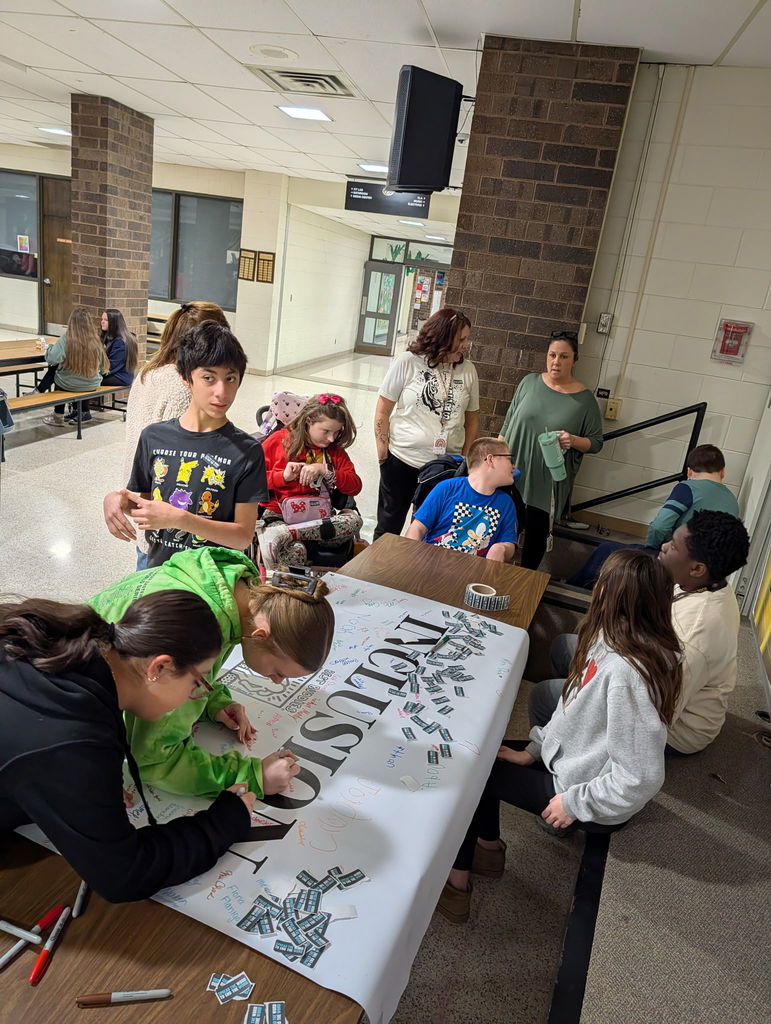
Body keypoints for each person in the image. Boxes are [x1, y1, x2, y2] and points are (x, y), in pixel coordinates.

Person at [438, 549, 682, 923]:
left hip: (588, 795)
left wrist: (574, 803)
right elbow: (572, 708)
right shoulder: (611, 638)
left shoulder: (629, 674)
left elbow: (642, 776)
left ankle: (458, 887)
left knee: (473, 776)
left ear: (610, 597)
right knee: (484, 759)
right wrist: (535, 749)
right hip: (572, 766)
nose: (596, 589)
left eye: (601, 584)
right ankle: (487, 852)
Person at [0, 590, 266, 903]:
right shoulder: (71, 741)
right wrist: (225, 821)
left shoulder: (76, 638)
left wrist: (85, 797)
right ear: (160, 668)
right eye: (197, 683)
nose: (195, 696)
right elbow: (124, 875)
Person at [91, 548, 334, 798]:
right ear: (260, 635)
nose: (275, 682)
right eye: (278, 672)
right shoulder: (195, 631)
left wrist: (212, 699)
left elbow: (182, 675)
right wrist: (253, 776)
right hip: (89, 720)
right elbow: (153, 758)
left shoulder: (227, 586)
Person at [531, 511, 750, 756]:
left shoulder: (694, 637)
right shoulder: (699, 581)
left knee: (543, 696)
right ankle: (565, 732)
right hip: (642, 666)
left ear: (697, 568)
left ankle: (558, 767)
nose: (664, 546)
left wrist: (586, 697)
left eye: (674, 546)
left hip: (674, 729)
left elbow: (655, 709)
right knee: (565, 646)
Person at [105, 321, 267, 568]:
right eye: (208, 378)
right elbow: (148, 507)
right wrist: (116, 500)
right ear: (185, 378)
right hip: (159, 571)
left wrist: (181, 519)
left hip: (214, 581)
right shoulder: (153, 437)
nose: (222, 392)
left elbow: (242, 537)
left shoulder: (247, 451)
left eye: (231, 378)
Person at [499, 330, 603, 569]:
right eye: (552, 355)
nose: (556, 362)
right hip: (511, 473)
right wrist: (495, 459)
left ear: (575, 360)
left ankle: (524, 588)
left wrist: (573, 440)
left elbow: (596, 442)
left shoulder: (584, 400)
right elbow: (507, 424)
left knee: (534, 540)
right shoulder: (529, 383)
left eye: (564, 356)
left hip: (547, 483)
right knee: (500, 530)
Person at [567, 444, 740, 588]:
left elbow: (660, 526)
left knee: (606, 551)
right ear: (722, 472)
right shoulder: (733, 502)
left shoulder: (688, 487)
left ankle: (572, 587)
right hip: (704, 570)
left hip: (676, 562)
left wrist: (653, 548)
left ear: (689, 471)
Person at [374, 308, 479, 539]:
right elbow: (383, 409)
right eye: (461, 339)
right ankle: (373, 574)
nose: (465, 344)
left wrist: (463, 458)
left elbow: (472, 419)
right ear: (443, 336)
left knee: (425, 531)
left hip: (443, 467)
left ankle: (412, 575)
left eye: (466, 339)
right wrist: (383, 453)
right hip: (401, 459)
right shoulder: (408, 362)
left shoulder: (468, 369)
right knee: (388, 526)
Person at [258, 394, 363, 569]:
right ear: (308, 421)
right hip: (279, 516)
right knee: (296, 551)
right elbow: (249, 481)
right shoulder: (278, 441)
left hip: (317, 520)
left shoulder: (334, 451)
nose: (331, 438)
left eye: (336, 432)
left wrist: (326, 470)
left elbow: (355, 486)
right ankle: (289, 539)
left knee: (354, 521)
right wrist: (282, 477)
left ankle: (290, 534)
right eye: (326, 431)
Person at [405, 437, 518, 561]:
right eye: (509, 459)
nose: (514, 466)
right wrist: (410, 557)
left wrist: (502, 548)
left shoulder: (506, 503)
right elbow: (418, 527)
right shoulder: (447, 488)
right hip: (433, 563)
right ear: (491, 460)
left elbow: (509, 542)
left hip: (474, 572)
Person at [35, 306, 108, 428]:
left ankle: (58, 415)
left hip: (68, 384)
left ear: (71, 322)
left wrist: (51, 348)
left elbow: (52, 358)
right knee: (79, 377)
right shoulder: (95, 340)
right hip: (92, 384)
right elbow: (102, 367)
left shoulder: (66, 339)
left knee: (58, 374)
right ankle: (82, 411)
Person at [76, 308, 140, 422]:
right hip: (113, 372)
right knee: (82, 375)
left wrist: (92, 373)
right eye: (102, 319)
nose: (102, 322)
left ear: (114, 323)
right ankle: (77, 410)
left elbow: (111, 367)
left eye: (106, 320)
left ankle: (84, 412)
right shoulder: (109, 337)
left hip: (120, 376)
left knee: (85, 380)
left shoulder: (120, 342)